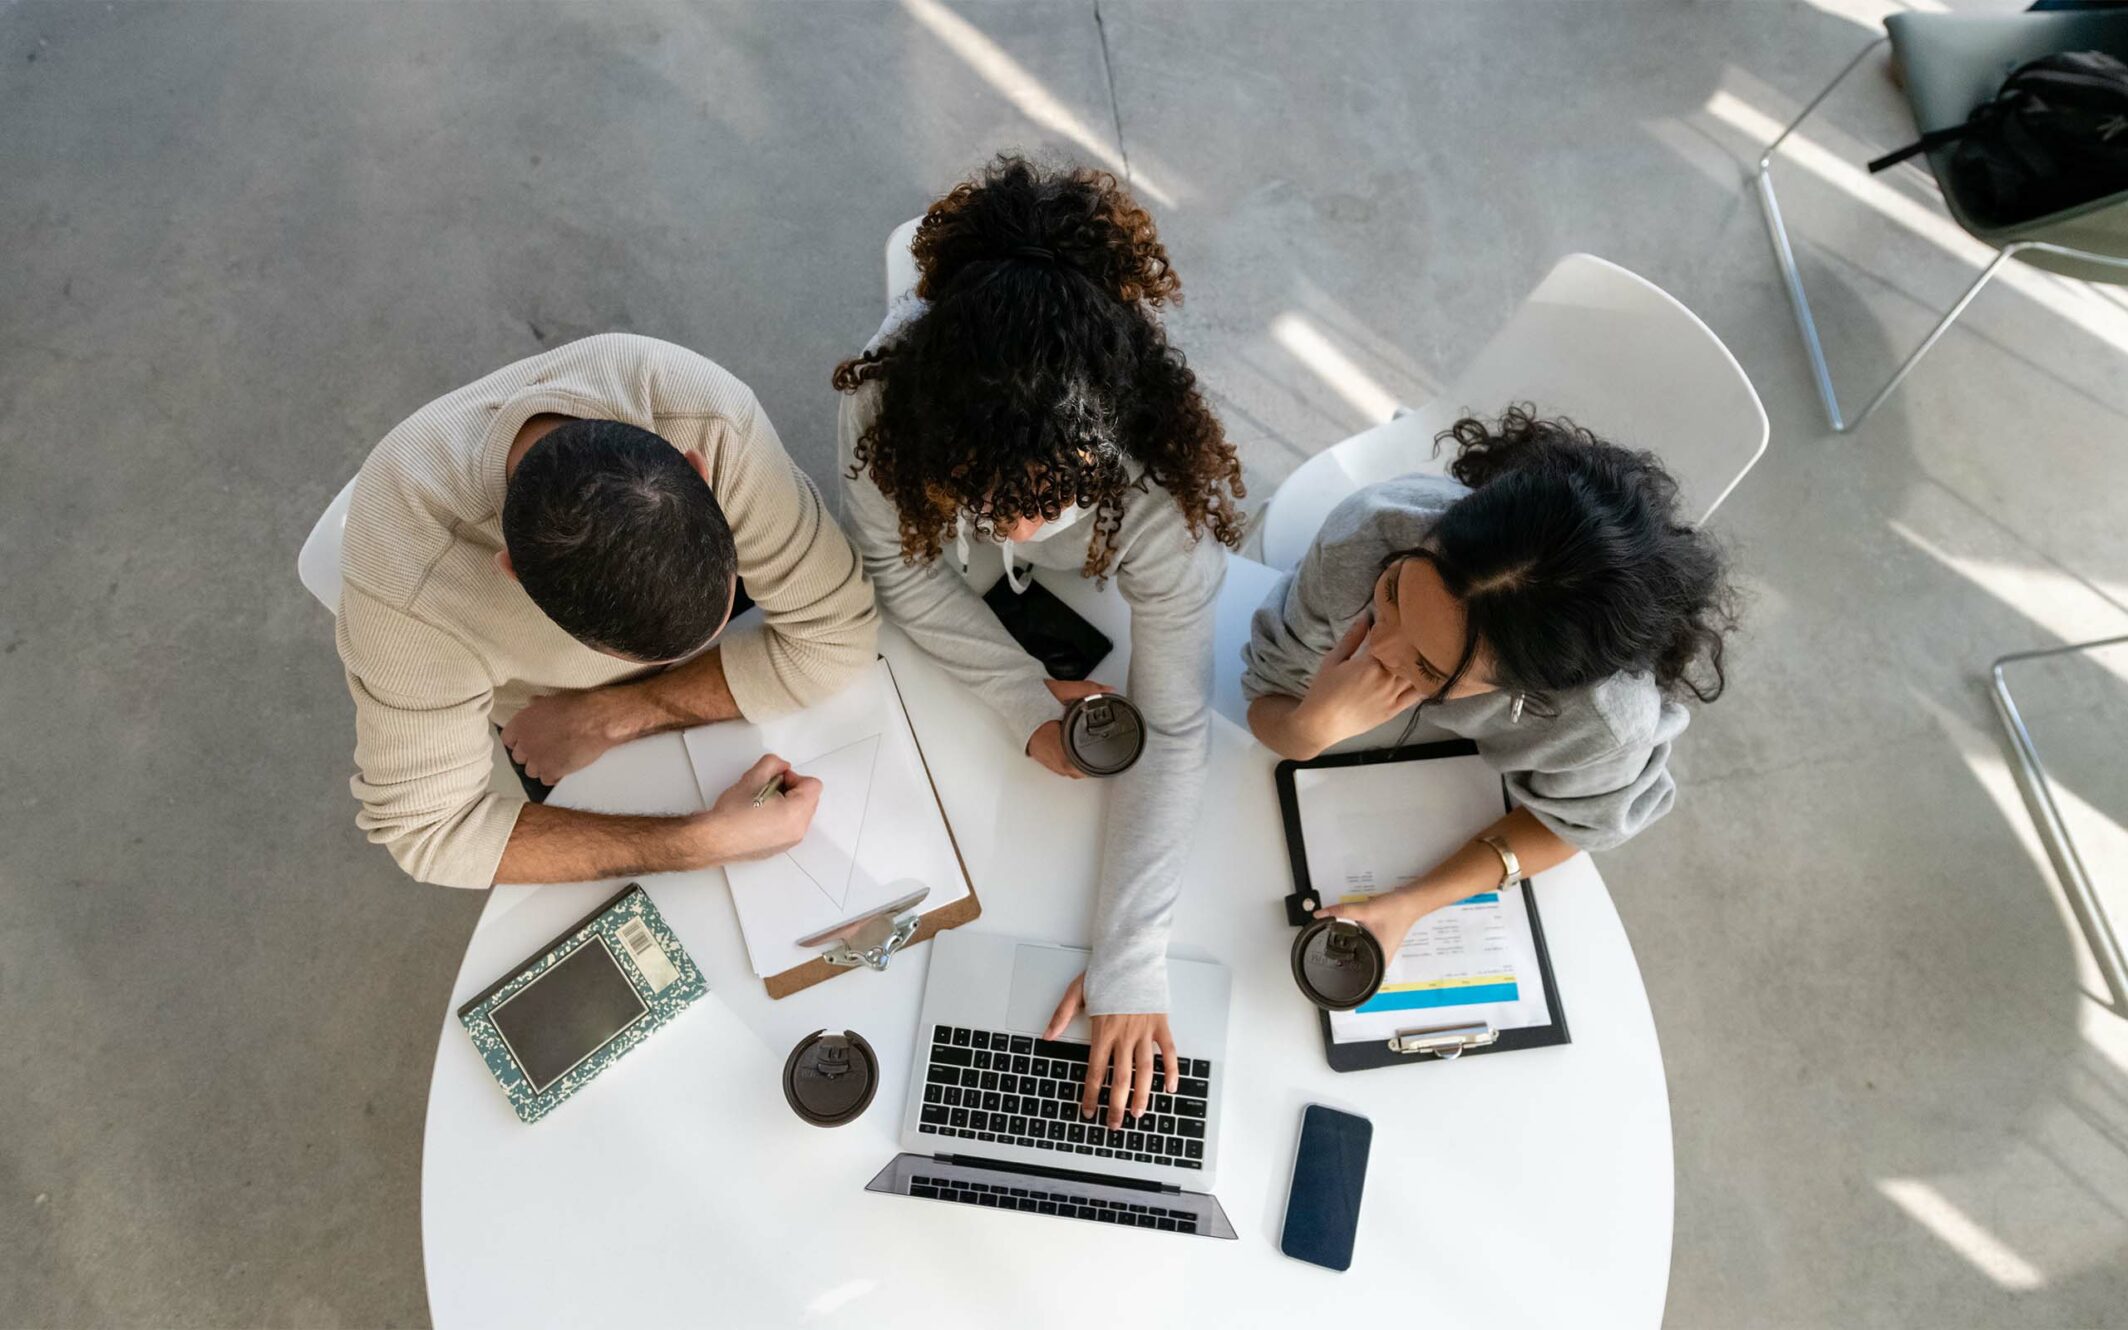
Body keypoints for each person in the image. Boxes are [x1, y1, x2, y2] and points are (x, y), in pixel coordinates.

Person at [834, 156, 1246, 1129]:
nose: (1017, 529)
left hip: (1107, 570)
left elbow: (1176, 723)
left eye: (1049, 502)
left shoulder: (1153, 494)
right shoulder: (881, 407)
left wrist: (1130, 960)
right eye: (985, 501)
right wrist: (1023, 700)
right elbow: (902, 572)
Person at [337, 333, 877, 889]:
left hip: (579, 717)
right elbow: (431, 832)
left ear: (696, 468)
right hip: (545, 717)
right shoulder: (408, 587)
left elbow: (839, 635)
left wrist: (615, 715)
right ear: (515, 575)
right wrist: (704, 842)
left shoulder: (704, 415)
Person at [1243, 406, 1737, 949]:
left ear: (1531, 692)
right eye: (1392, 593)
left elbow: (1571, 825)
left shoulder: (1604, 721)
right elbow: (1268, 685)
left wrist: (1414, 903)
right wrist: (1305, 732)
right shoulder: (1369, 536)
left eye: (1430, 667)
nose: (1376, 649)